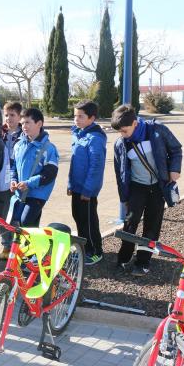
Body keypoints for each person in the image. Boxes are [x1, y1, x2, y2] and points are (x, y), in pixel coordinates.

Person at [111, 104, 182, 276]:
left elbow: (176, 149)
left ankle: (143, 262)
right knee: (130, 222)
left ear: (135, 123)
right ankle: (124, 257)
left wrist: (175, 169)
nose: (122, 135)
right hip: (137, 187)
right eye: (119, 131)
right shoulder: (121, 143)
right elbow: (119, 172)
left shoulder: (157, 130)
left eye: (125, 130)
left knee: (152, 224)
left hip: (158, 187)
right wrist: (124, 196)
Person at [68, 100, 107, 266]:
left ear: (92, 118)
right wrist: (71, 184)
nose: (76, 119)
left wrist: (88, 189)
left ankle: (95, 251)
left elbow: (96, 166)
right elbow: (74, 162)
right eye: (75, 116)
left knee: (89, 221)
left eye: (81, 116)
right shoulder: (78, 134)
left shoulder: (95, 138)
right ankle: (85, 248)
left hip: (87, 190)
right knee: (78, 217)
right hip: (77, 187)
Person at [10, 108, 59, 227]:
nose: (24, 126)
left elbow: (49, 175)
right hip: (20, 193)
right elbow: (13, 166)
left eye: (27, 122)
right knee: (15, 225)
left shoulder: (49, 148)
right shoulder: (18, 144)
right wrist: (13, 180)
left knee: (25, 223)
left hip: (37, 194)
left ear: (39, 124)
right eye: (22, 123)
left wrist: (28, 183)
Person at [0, 101, 23, 259]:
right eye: (6, 115)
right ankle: (7, 246)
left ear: (20, 116)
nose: (9, 118)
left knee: (15, 216)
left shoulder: (24, 133)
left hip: (17, 180)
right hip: (1, 178)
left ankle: (18, 247)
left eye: (12, 115)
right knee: (2, 215)